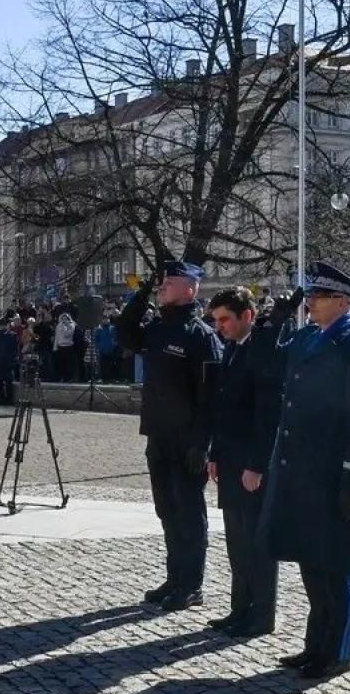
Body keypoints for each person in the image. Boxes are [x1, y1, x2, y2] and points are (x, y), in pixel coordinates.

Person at [261, 261, 350, 682]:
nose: (310, 302)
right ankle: (315, 644)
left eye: (319, 297)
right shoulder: (307, 337)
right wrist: (274, 319)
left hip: (333, 471)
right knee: (313, 562)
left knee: (337, 564)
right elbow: (266, 364)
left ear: (344, 302)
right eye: (309, 295)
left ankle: (336, 650)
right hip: (301, 469)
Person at [114, 260, 222, 612]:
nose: (163, 288)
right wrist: (142, 292)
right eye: (161, 284)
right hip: (159, 434)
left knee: (188, 512)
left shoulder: (200, 336)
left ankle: (192, 584)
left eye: (168, 284)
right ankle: (175, 578)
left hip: (187, 439)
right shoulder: (158, 328)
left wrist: (202, 443)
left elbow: (211, 397)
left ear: (190, 288)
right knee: (167, 509)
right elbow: (125, 331)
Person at [204, 286, 281, 639]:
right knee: (237, 540)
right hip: (231, 459)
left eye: (225, 320)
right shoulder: (233, 350)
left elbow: (267, 414)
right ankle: (240, 608)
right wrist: (215, 454)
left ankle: (261, 613)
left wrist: (257, 464)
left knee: (256, 542)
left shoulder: (261, 352)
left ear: (247, 316)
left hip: (251, 462)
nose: (220, 327)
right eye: (216, 320)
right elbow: (222, 409)